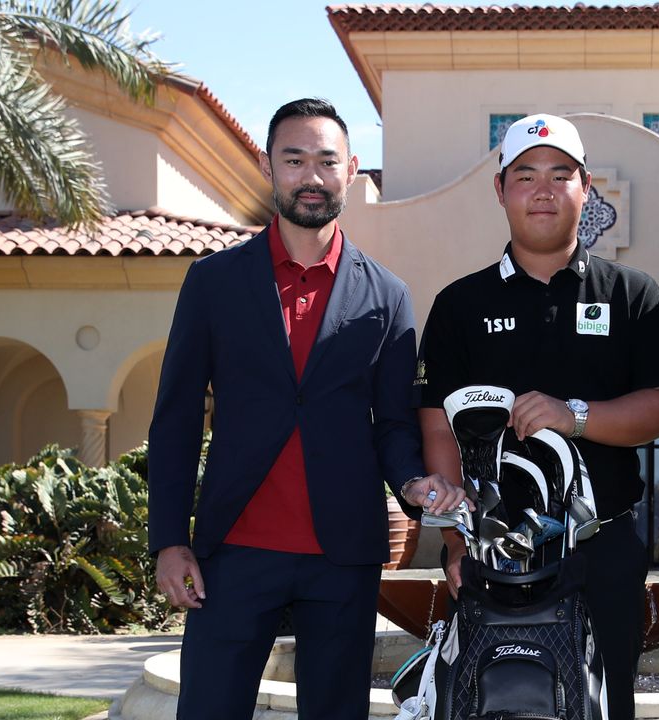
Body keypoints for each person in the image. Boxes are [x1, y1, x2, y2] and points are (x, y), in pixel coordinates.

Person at [147, 97, 465, 720]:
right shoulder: (212, 282)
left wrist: (412, 481)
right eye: (294, 160)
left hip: (342, 556)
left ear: (352, 171)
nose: (311, 177)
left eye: (326, 161)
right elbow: (176, 418)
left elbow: (394, 424)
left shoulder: (389, 295)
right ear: (270, 167)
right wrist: (168, 540)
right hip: (232, 553)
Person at [415, 113, 659, 720]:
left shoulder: (633, 294)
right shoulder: (459, 305)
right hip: (492, 551)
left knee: (605, 700)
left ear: (585, 188)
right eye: (526, 175)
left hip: (604, 544)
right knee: (494, 700)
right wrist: (458, 537)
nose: (543, 190)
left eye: (561, 175)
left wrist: (577, 417)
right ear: (501, 189)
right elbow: (437, 424)